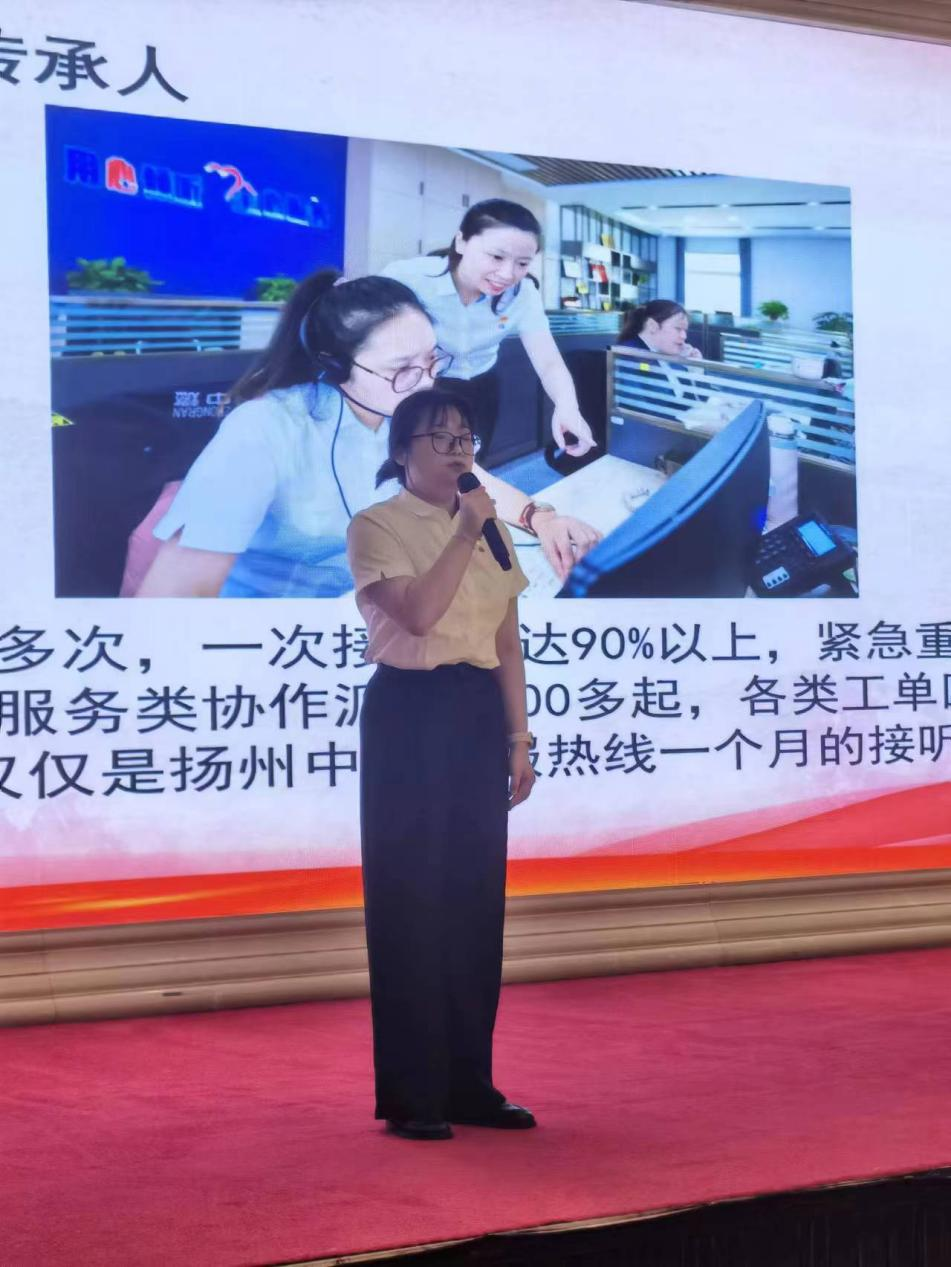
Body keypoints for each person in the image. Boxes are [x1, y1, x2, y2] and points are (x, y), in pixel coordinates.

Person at [135, 270, 600, 597]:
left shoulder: (409, 411)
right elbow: (172, 599)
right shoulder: (263, 431)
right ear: (336, 367)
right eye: (401, 370)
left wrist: (541, 518)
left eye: (430, 361)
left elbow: (467, 478)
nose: (425, 383)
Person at [346, 386, 536, 1141]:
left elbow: (507, 640)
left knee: (473, 901)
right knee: (411, 899)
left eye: (466, 438)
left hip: (475, 712)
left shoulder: (492, 527)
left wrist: (518, 740)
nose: (459, 450)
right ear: (402, 452)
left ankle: (469, 1085)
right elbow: (419, 615)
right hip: (410, 713)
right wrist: (464, 531)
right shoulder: (377, 525)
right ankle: (413, 1094)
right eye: (441, 438)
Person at [381, 199, 597, 460]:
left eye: (522, 263)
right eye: (496, 257)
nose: (507, 274)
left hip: (481, 385)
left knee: (471, 458)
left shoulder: (523, 294)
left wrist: (567, 407)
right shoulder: (409, 277)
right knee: (415, 460)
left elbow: (548, 360)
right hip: (423, 384)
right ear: (461, 242)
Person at [619, 299, 703, 360]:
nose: (684, 336)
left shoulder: (661, 353)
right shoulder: (628, 355)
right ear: (652, 326)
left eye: (685, 330)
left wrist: (693, 366)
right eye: (678, 328)